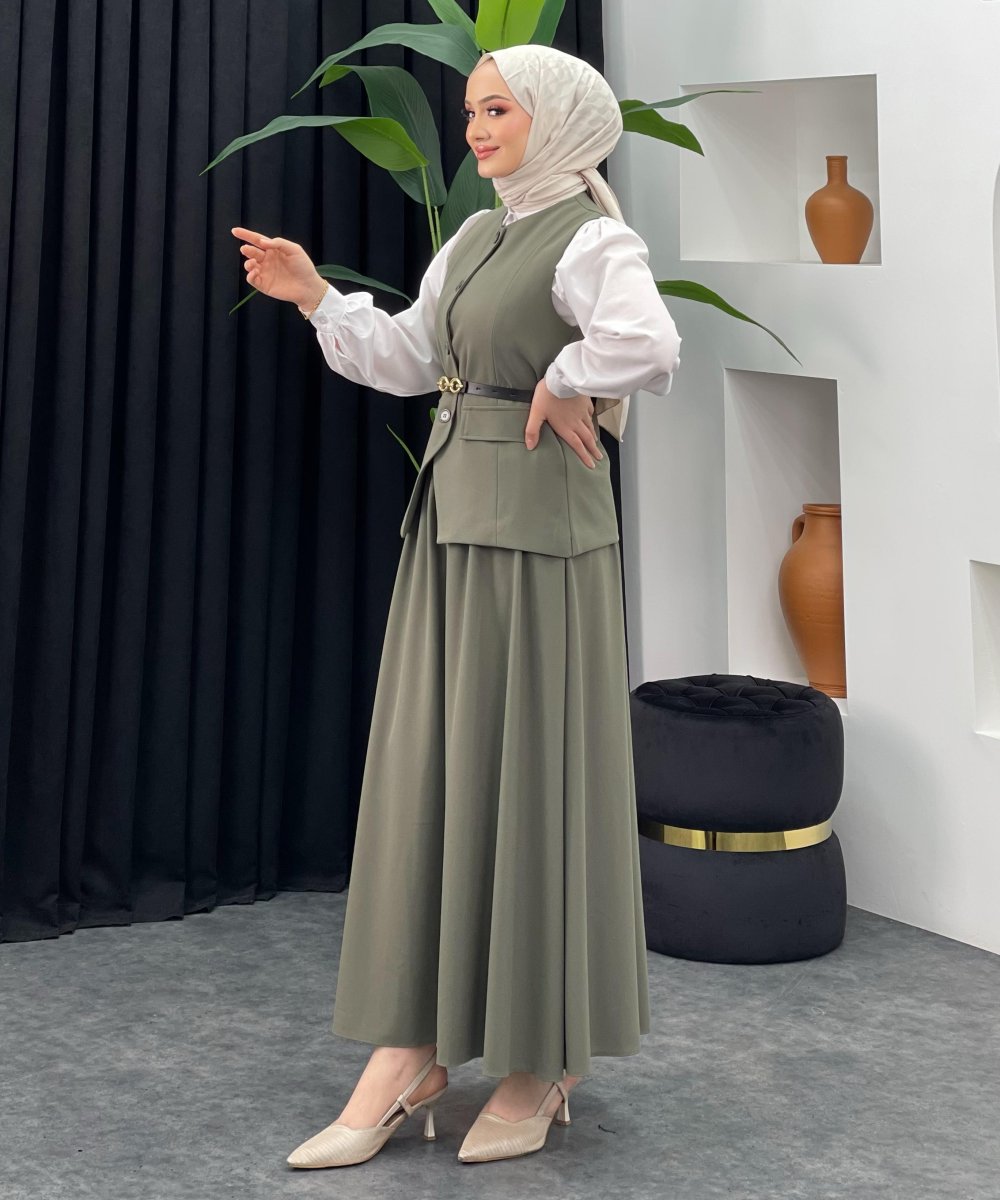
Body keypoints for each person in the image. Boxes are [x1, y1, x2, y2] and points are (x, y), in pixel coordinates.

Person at [231, 44, 681, 1168]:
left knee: (532, 772)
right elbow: (409, 356)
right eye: (472, 109)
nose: (476, 128)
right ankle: (414, 1052)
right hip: (451, 528)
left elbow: (646, 342)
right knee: (440, 772)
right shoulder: (476, 234)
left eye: (498, 110)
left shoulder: (591, 237)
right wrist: (316, 295)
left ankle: (540, 1056)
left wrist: (564, 379)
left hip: (541, 538)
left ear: (558, 121)